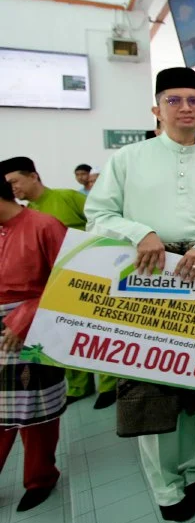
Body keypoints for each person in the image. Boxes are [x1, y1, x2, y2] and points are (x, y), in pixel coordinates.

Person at [86, 67, 195, 523]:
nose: (185, 108)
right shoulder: (128, 159)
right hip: (146, 282)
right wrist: (141, 232)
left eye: (193, 100)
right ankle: (166, 488)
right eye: (174, 100)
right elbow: (97, 214)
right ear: (156, 109)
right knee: (152, 390)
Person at [1, 157, 116, 408]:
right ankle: (78, 386)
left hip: (87, 275)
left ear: (33, 176)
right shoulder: (23, 212)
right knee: (68, 337)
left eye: (14, 181)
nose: (12, 188)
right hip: (51, 287)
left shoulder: (67, 197)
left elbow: (102, 221)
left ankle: (109, 386)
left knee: (95, 332)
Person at [0, 176, 68, 513]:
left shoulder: (45, 226)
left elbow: (71, 281)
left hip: (36, 326)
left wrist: (26, 315)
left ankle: (40, 478)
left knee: (36, 411)